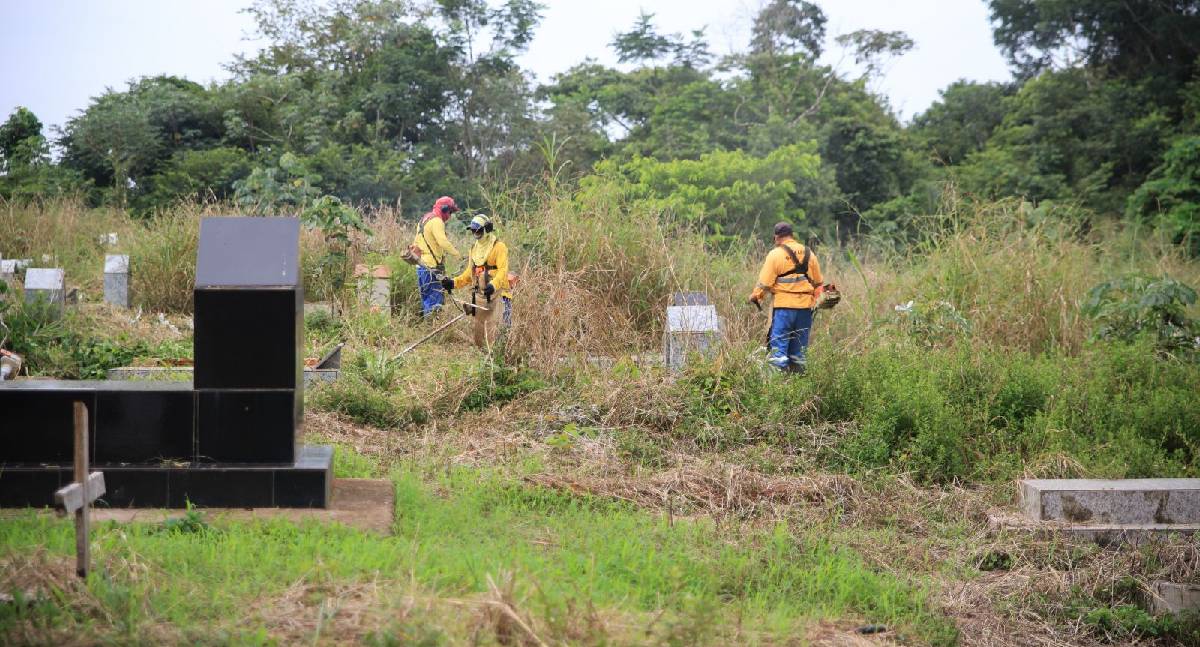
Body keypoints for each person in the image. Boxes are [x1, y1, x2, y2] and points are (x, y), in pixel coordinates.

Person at [748, 221, 824, 374]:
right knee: (799, 353)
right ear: (792, 235)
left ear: (776, 237)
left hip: (784, 310)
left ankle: (777, 383)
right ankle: (798, 383)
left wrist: (755, 296)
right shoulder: (809, 253)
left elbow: (765, 283)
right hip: (805, 310)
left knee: (779, 350)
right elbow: (819, 283)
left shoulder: (775, 254)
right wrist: (815, 301)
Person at [441, 214, 512, 348]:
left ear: (487, 229)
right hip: (481, 296)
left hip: (499, 294)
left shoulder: (499, 247)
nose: (475, 234)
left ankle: (503, 358)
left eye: (478, 230)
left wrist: (493, 285)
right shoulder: (473, 249)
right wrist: (453, 283)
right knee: (481, 335)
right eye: (473, 231)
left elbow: (503, 270)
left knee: (501, 332)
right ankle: (485, 357)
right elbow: (470, 273)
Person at [413, 196, 463, 317]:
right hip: (431, 268)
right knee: (435, 302)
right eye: (450, 212)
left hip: (421, 267)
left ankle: (428, 325)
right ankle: (434, 326)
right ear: (444, 209)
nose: (450, 216)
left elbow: (416, 243)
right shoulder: (437, 221)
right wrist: (458, 255)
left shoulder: (423, 220)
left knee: (426, 300)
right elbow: (443, 242)